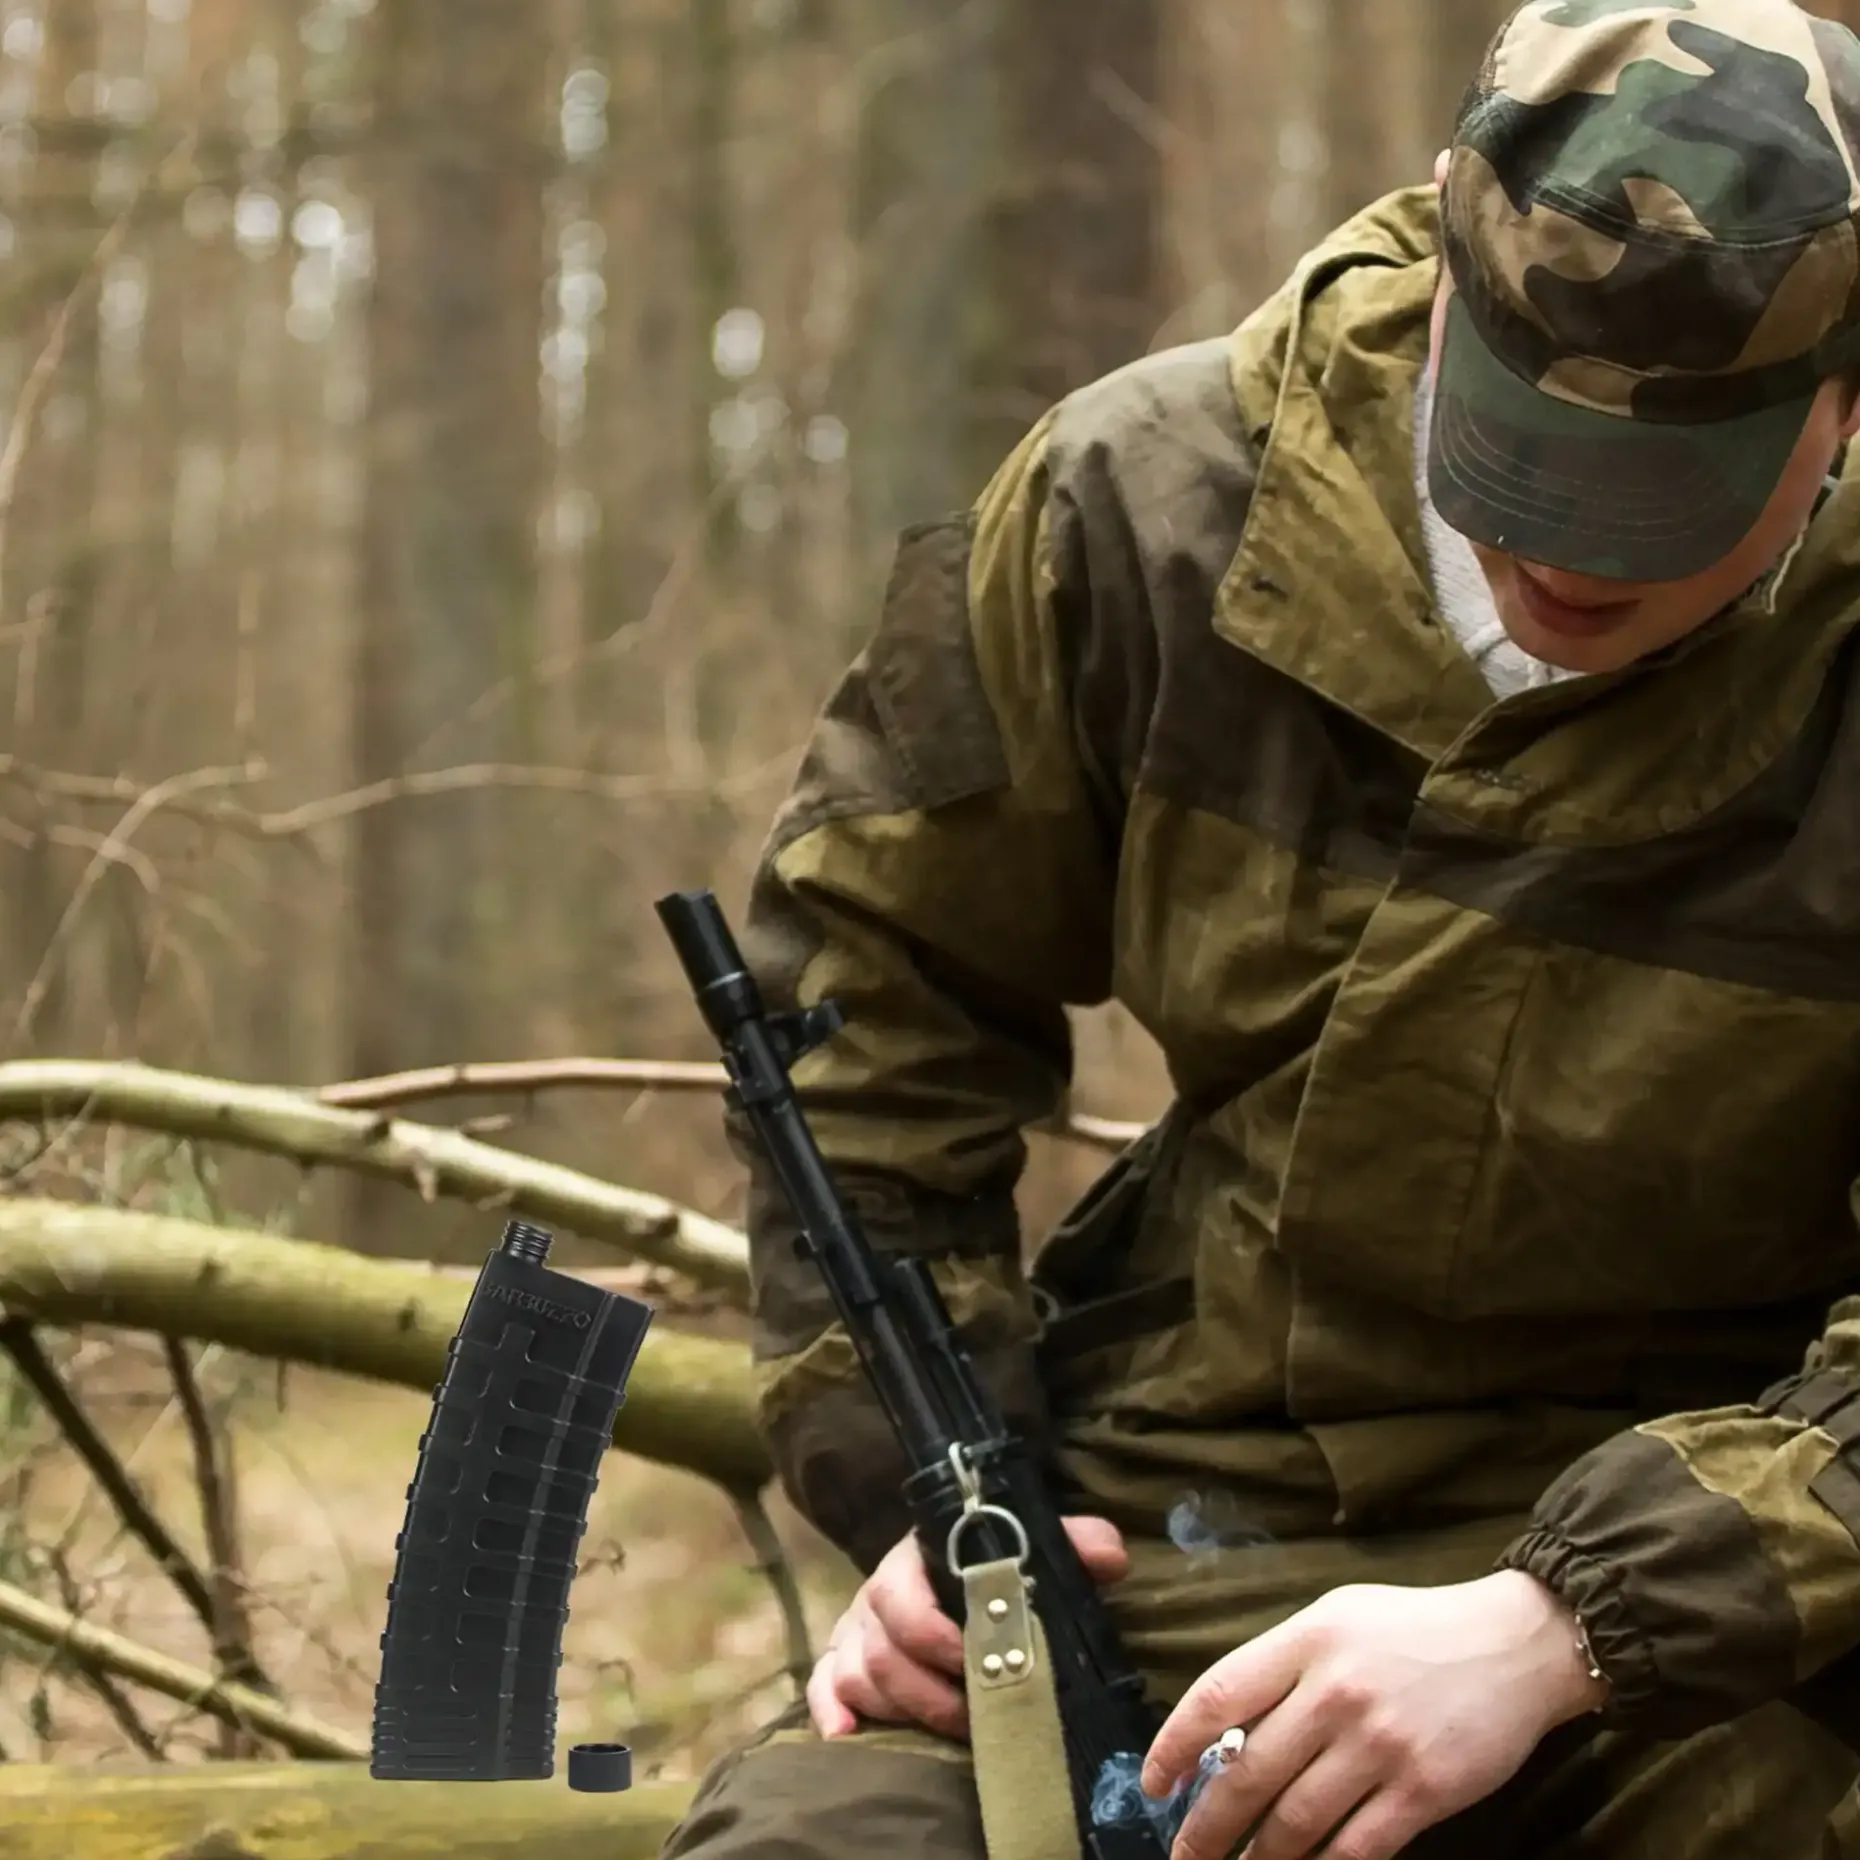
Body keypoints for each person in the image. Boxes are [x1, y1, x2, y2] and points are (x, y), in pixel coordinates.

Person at [660, 2, 1860, 1855]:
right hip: (1171, 1522)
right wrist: (930, 1503)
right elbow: (868, 1001)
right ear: (1448, 283)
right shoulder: (1145, 504)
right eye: (1524, 448)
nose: (1571, 558)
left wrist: (1572, 1623)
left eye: (1663, 500)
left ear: (1842, 405)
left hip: (1726, 1604)